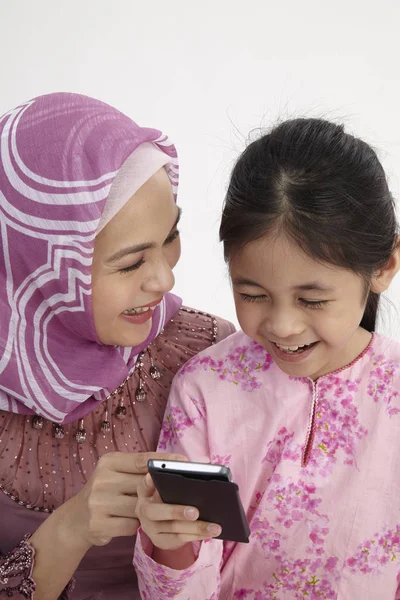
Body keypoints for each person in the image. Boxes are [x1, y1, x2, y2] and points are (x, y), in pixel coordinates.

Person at [134, 118, 400, 599]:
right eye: (252, 293)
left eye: (312, 300)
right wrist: (169, 540)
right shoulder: (205, 388)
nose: (281, 325)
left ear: (383, 266)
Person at [0, 92, 234, 600]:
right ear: (38, 264)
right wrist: (71, 528)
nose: (165, 279)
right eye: (130, 263)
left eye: (171, 237)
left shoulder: (210, 357)